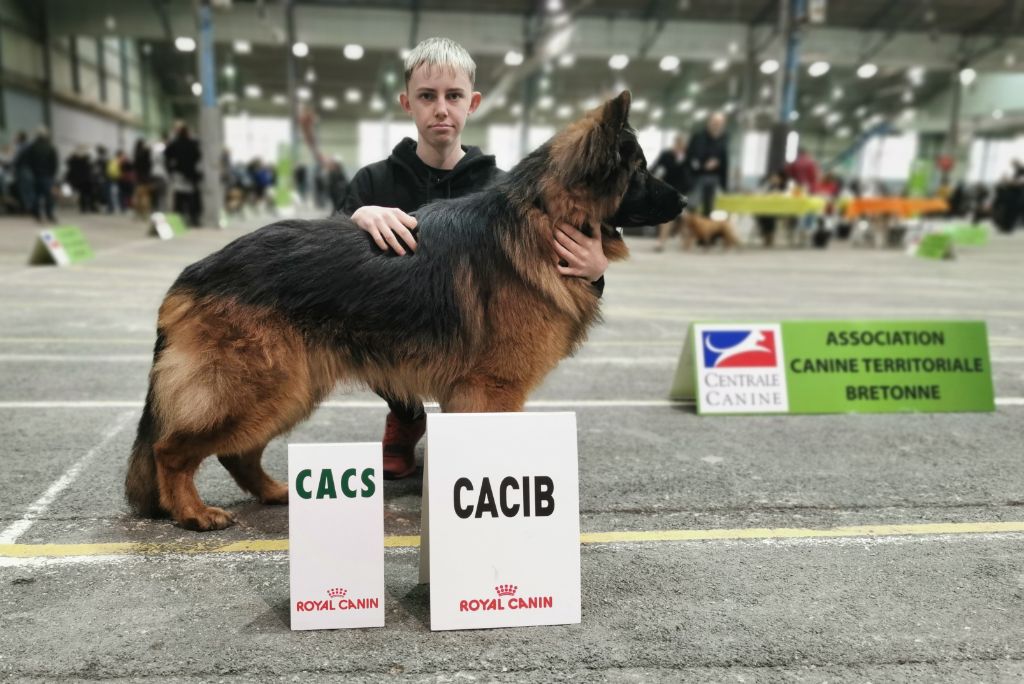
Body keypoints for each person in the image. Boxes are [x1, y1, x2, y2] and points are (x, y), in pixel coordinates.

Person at [338, 36, 608, 480]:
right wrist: (356, 216)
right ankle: (406, 417)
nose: (441, 109)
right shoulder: (373, 181)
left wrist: (594, 272)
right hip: (398, 335)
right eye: (427, 96)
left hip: (475, 337)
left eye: (454, 96)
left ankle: (467, 430)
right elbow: (329, 259)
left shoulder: (504, 187)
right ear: (407, 103)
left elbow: (553, 266)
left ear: (473, 103)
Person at [651, 134, 691, 252]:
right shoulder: (666, 155)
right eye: (677, 144)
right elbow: (655, 167)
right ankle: (661, 242)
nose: (679, 147)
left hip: (682, 190)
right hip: (668, 188)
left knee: (684, 218)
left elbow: (689, 174)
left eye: (682, 145)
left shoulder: (688, 157)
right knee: (668, 216)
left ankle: (686, 241)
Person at [686, 112, 729, 217]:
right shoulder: (698, 137)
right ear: (709, 122)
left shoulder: (724, 138)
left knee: (709, 210)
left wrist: (725, 185)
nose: (717, 125)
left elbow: (724, 161)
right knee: (691, 207)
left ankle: (707, 224)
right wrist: (702, 166)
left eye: (719, 123)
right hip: (697, 177)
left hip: (714, 178)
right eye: (715, 122)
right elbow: (690, 158)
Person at [164, 123, 202, 226]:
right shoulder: (192, 144)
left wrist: (171, 169)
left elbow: (167, 154)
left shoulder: (175, 143)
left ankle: (178, 220)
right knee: (192, 198)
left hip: (179, 174)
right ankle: (194, 219)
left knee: (179, 199)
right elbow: (198, 157)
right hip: (191, 175)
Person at [24, 126, 58, 223]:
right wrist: (52, 174)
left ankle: (37, 215)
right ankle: (49, 214)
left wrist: (32, 171)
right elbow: (54, 163)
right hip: (47, 175)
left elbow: (28, 162)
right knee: (49, 196)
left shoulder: (32, 147)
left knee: (36, 196)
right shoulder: (50, 147)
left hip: (35, 175)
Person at [66, 145, 95, 213]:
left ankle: (83, 207)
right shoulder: (86, 160)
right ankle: (88, 207)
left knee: (82, 194)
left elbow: (70, 166)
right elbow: (90, 168)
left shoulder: (73, 161)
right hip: (86, 179)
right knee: (87, 194)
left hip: (78, 179)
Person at [132, 138, 153, 218]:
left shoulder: (136, 154)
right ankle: (145, 213)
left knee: (137, 196)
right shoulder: (146, 153)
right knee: (145, 196)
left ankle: (137, 212)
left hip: (138, 177)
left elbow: (134, 166)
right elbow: (150, 164)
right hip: (146, 177)